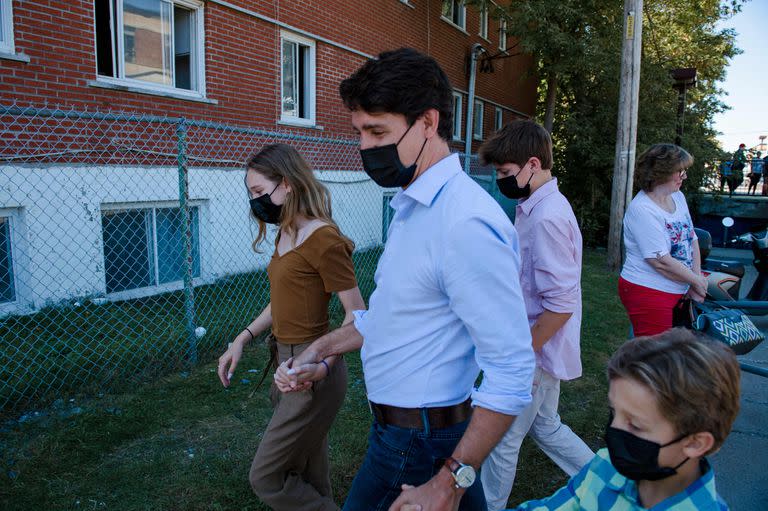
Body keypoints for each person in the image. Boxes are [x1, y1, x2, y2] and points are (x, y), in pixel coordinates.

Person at [277, 47, 535, 511]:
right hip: (406, 434)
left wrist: (450, 481)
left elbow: (513, 369)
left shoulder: (464, 223)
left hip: (421, 444)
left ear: (428, 123)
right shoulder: (413, 205)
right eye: (359, 133)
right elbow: (395, 316)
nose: (365, 148)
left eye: (378, 131)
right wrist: (321, 349)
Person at [216, 143, 365, 510]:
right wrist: (242, 338)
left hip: (312, 370)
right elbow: (281, 300)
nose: (255, 202)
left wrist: (322, 363)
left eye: (258, 192)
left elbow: (359, 318)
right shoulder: (284, 232)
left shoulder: (324, 240)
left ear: (286, 185)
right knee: (309, 468)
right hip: (285, 360)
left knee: (266, 476)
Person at [477, 120, 594, 511]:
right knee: (545, 425)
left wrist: (522, 355)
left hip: (535, 349)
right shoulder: (536, 208)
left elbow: (560, 303)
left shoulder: (547, 218)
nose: (501, 181)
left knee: (503, 439)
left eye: (505, 173)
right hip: (535, 343)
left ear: (532, 164)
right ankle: (606, 482)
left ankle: (490, 506)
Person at [503, 328, 740, 510]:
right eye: (614, 413)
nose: (613, 431)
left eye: (635, 425)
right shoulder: (605, 466)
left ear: (696, 443)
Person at [618, 144, 706, 337]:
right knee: (655, 357)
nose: (684, 176)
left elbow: (692, 238)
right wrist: (696, 282)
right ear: (661, 173)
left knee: (670, 354)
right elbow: (660, 262)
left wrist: (695, 278)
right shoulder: (642, 209)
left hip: (680, 287)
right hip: (649, 291)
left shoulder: (678, 197)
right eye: (680, 171)